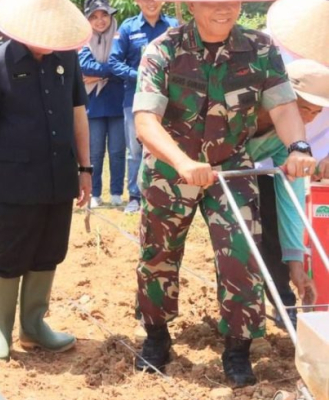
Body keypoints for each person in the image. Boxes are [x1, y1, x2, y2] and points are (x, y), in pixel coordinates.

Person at [132, 0, 316, 387]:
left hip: (232, 166)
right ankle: (157, 336)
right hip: (171, 169)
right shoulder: (163, 49)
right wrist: (182, 163)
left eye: (232, 0)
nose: (224, 8)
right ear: (191, 5)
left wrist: (298, 147)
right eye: (213, 1)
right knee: (158, 254)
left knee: (242, 253)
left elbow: (283, 106)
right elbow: (146, 120)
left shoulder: (260, 49)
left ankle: (237, 349)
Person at [0, 0, 92, 360]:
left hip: (59, 176)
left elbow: (78, 116)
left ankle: (34, 326)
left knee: (50, 250)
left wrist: (85, 169)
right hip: (14, 179)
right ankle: (1, 330)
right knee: (11, 252)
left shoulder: (66, 60)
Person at [245, 59, 328, 329]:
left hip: (243, 172)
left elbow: (290, 197)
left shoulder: (291, 140)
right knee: (238, 232)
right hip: (195, 167)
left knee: (270, 207)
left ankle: (283, 301)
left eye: (316, 112)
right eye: (304, 108)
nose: (308, 118)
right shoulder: (244, 107)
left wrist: (295, 262)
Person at [108, 0, 178, 214]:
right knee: (136, 150)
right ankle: (135, 197)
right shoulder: (128, 28)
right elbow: (113, 61)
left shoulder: (173, 26)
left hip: (170, 100)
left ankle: (169, 196)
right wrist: (142, 76)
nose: (151, 3)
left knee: (169, 146)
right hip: (135, 100)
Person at [79, 0, 125, 208]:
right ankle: (95, 192)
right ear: (88, 20)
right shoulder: (83, 40)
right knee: (94, 151)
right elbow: (84, 65)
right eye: (94, 17)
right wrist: (111, 70)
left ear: (110, 17)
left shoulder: (120, 37)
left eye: (103, 15)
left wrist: (98, 75)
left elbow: (123, 67)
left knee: (117, 150)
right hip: (93, 105)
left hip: (118, 102)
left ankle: (116, 192)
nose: (100, 21)